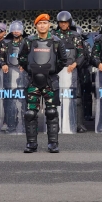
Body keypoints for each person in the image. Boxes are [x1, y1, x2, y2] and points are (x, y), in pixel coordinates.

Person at [17, 14, 63, 153]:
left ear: (49, 25)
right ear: (36, 26)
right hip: (33, 82)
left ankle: (53, 144)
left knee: (51, 112)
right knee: (30, 113)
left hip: (50, 81)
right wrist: (32, 71)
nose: (42, 26)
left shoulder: (56, 41)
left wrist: (51, 71)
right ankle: (31, 144)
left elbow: (63, 60)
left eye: (45, 23)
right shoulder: (28, 41)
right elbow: (22, 58)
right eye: (40, 23)